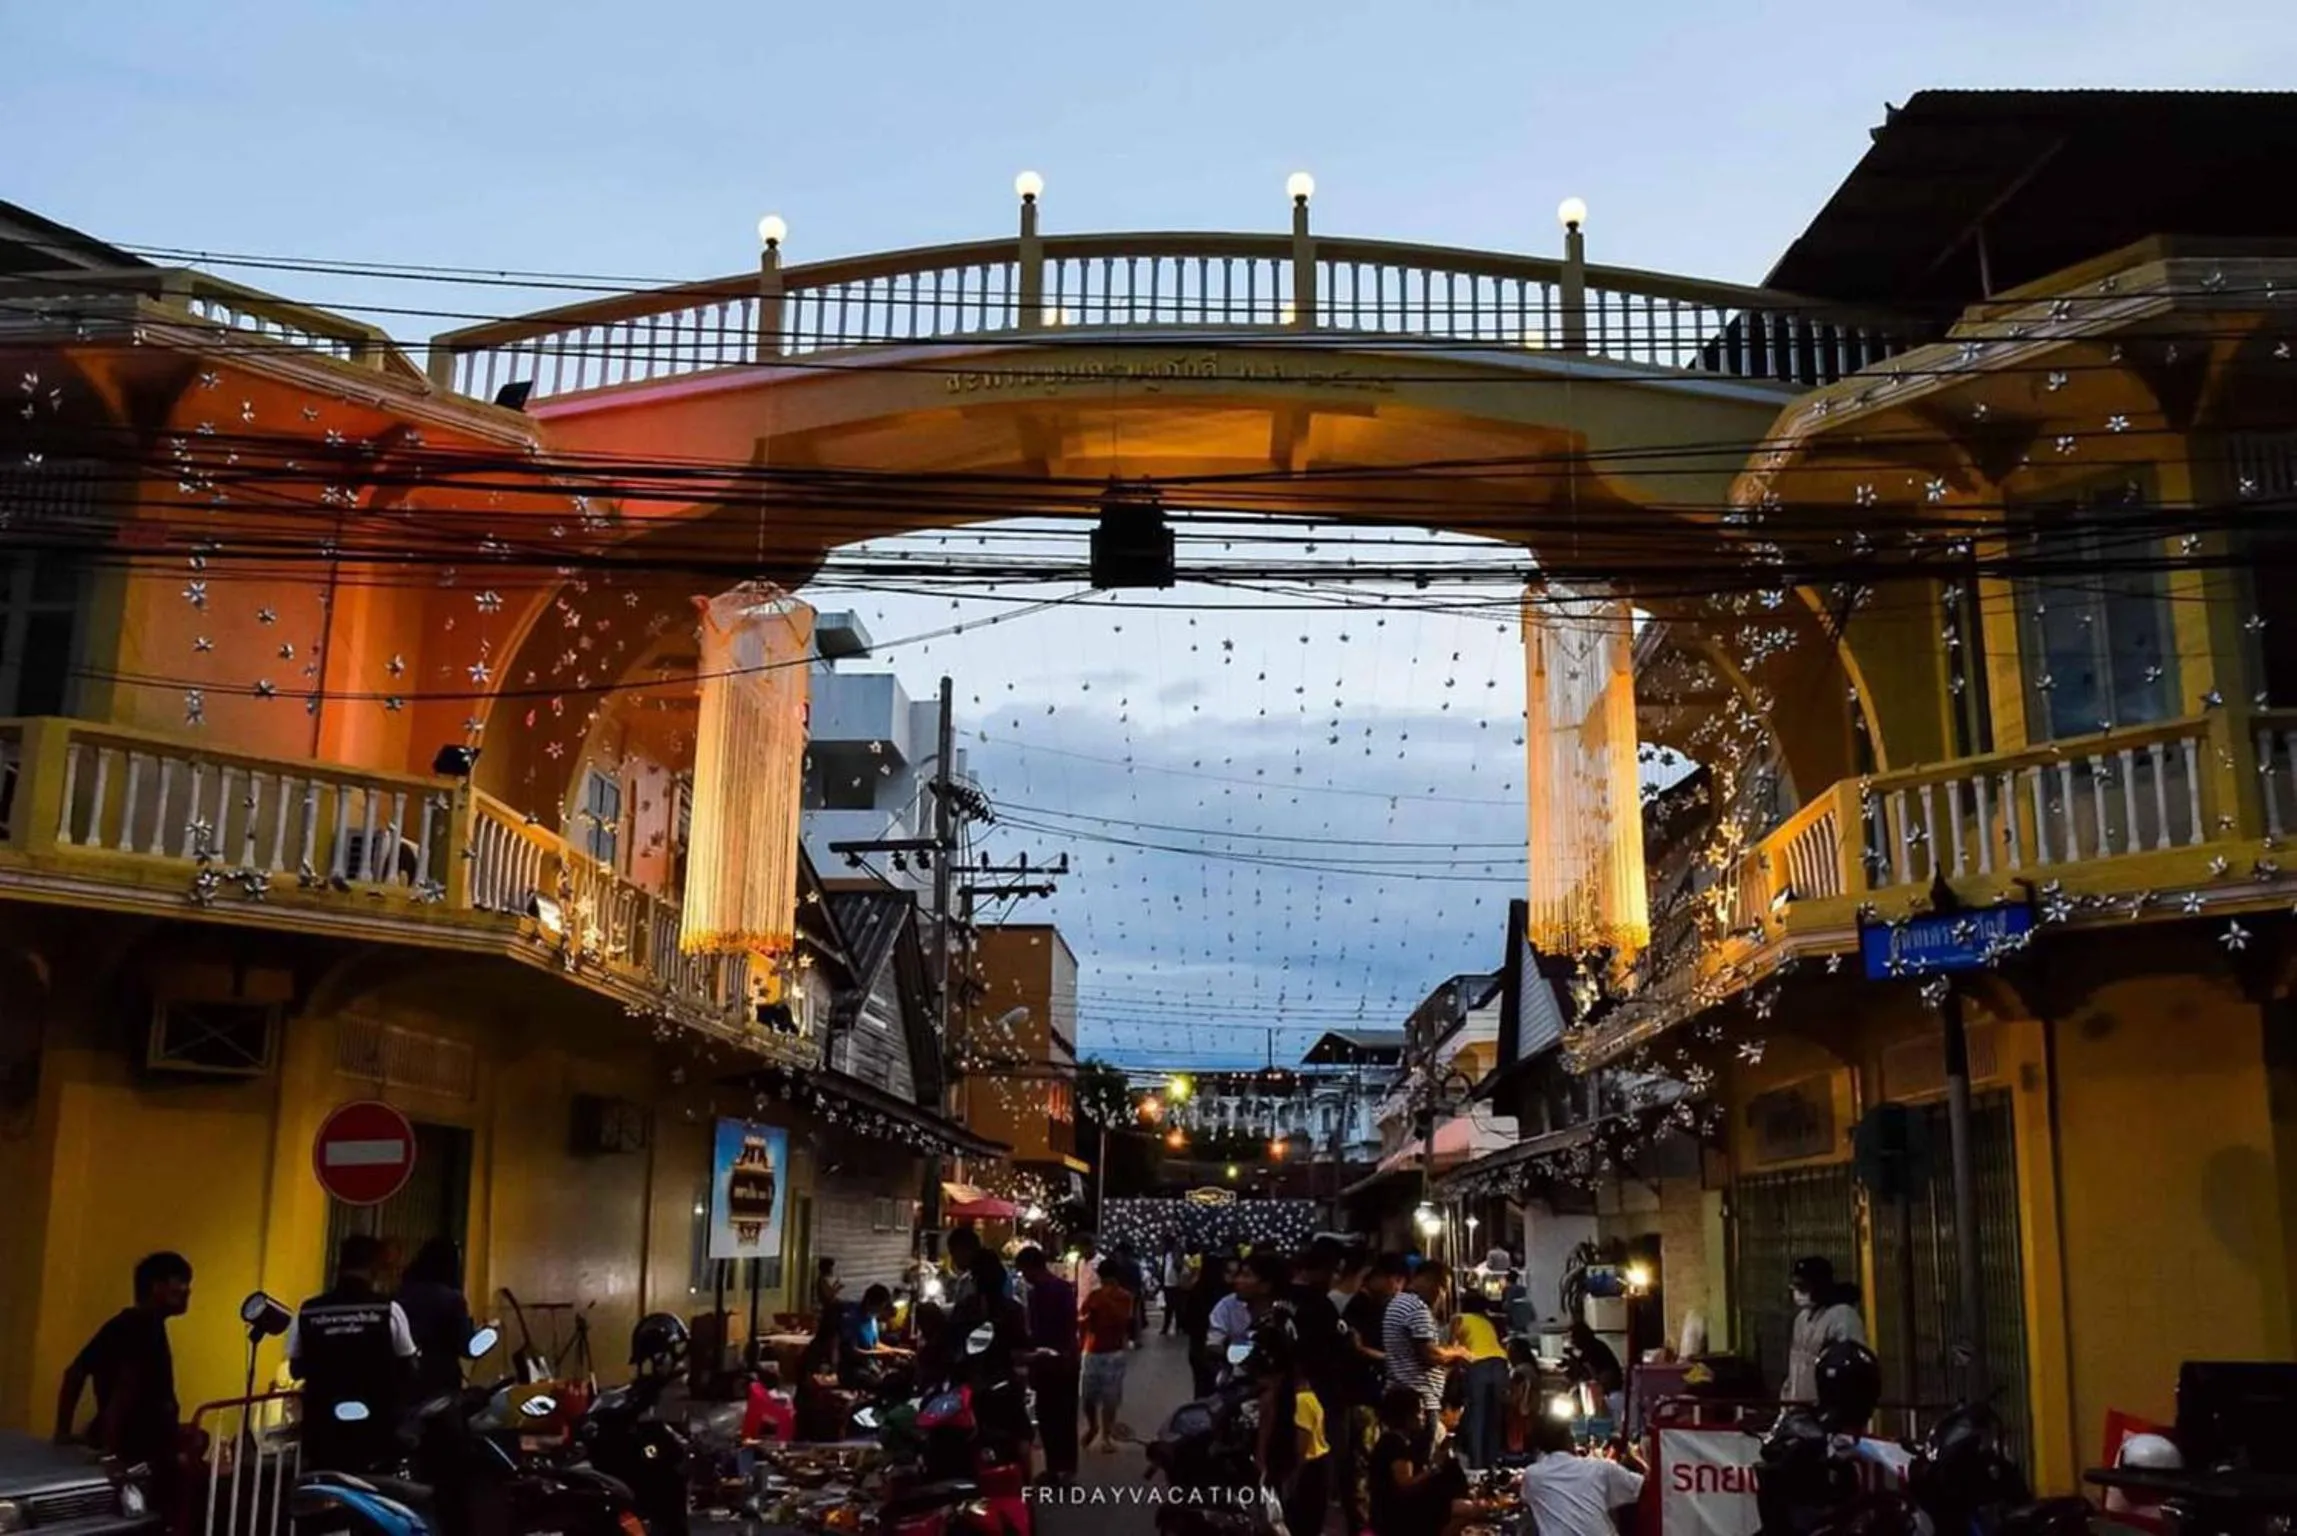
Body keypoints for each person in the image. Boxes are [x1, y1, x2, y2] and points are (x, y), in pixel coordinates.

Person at [55, 1250, 192, 1524]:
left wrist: (63, 1431)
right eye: (180, 1282)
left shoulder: (122, 1324)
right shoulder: (143, 1329)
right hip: (139, 1455)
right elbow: (124, 1390)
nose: (187, 1291)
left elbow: (75, 1374)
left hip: (134, 1450)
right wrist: (112, 1453)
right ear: (156, 1286)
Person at [288, 1235, 418, 1473]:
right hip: (377, 1428)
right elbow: (408, 1366)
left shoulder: (308, 1310)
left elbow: (295, 1368)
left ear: (339, 1266)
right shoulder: (389, 1310)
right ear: (375, 1269)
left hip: (323, 1427)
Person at [1366, 1385, 1496, 1536]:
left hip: (1398, 1509)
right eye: (1420, 1412)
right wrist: (1435, 1468)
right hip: (1396, 1516)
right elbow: (1405, 1486)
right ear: (1407, 1415)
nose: (1423, 1417)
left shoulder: (1398, 1441)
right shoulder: (1395, 1444)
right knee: (1468, 1511)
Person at [1252, 1319, 1329, 1536]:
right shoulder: (1284, 1401)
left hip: (1308, 1476)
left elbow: (1301, 1452)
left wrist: (1288, 1483)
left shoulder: (1301, 1402)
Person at [1383, 1260, 1469, 1443]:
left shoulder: (1398, 1302)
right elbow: (1430, 1354)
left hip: (1402, 1397)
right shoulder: (1417, 1309)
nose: (1442, 1295)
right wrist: (1458, 1353)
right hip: (1419, 1402)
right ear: (1430, 1281)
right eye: (1443, 1288)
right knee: (1420, 1461)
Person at [1517, 1413, 1646, 1536]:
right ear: (1570, 1439)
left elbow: (1523, 1495)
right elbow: (1645, 1487)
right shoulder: (1600, 1468)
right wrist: (1637, 1458)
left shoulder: (1533, 1476)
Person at [1015, 1247, 1080, 1485]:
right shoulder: (1058, 1289)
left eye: (1024, 1271)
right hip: (1059, 1361)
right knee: (1057, 1416)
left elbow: (1054, 1328)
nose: (1024, 1276)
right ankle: (1062, 1468)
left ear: (1033, 1267)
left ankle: (1059, 1468)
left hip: (1055, 1362)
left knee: (1054, 1416)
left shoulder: (1045, 1292)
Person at [396, 1238, 475, 1401]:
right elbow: (466, 1347)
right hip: (441, 1381)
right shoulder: (452, 1299)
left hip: (405, 1378)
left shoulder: (401, 1294)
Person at [1783, 1257, 1867, 1404]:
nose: (1797, 1293)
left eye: (1803, 1287)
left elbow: (1851, 1368)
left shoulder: (1842, 1317)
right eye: (1795, 1287)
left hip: (1829, 1409)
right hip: (1799, 1407)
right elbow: (1796, 1365)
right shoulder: (1802, 1318)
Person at [1078, 1255, 1135, 1452]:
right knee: (1087, 1397)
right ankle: (1093, 1426)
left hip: (1113, 1351)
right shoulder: (1094, 1295)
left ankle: (1106, 1435)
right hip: (1091, 1349)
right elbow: (1082, 1318)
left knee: (1110, 1398)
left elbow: (1123, 1320)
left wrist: (1105, 1300)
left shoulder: (1124, 1297)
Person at [1453, 1290, 1510, 1468]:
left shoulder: (1459, 1319)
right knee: (1494, 1418)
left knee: (1477, 1416)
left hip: (1478, 1365)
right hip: (1500, 1364)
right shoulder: (1488, 1322)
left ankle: (1477, 1465)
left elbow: (1453, 1348)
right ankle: (1491, 1464)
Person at [795, 1309, 855, 1440]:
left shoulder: (838, 1348)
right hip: (812, 1403)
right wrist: (837, 1383)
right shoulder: (817, 1350)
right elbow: (810, 1380)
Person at [839, 1284, 911, 1386]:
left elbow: (875, 1343)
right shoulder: (851, 1319)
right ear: (869, 1302)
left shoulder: (872, 1318)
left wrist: (896, 1351)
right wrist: (881, 1355)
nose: (881, 1311)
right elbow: (852, 1352)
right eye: (880, 1307)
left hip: (870, 1364)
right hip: (853, 1369)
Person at [1182, 1253, 1232, 1398]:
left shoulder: (1197, 1290)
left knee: (1200, 1387)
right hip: (1218, 1349)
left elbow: (1187, 1321)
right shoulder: (1225, 1294)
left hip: (1197, 1347)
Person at [1566, 1319, 1625, 1418]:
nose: (1571, 1340)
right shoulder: (1591, 1345)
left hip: (1608, 1382)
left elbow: (1589, 1368)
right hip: (1603, 1380)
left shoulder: (1592, 1347)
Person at [1160, 1239, 1190, 1335]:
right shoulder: (1166, 1256)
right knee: (1169, 1307)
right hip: (1168, 1284)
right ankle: (1167, 1326)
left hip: (1177, 1284)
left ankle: (1179, 1327)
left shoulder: (1181, 1256)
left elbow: (1180, 1267)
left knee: (1179, 1308)